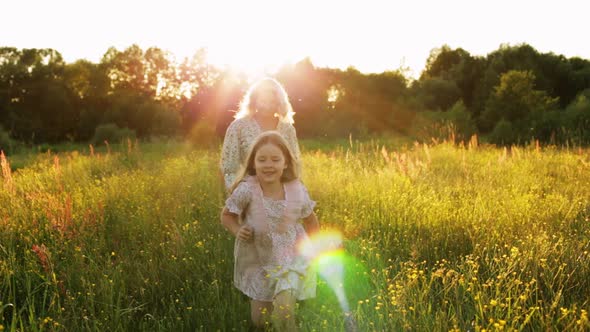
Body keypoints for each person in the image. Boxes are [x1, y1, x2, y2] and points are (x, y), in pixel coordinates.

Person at [220, 131, 319, 331]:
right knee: (261, 322)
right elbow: (227, 215)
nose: (268, 165)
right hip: (258, 259)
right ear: (253, 163)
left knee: (284, 313)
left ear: (285, 163)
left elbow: (311, 219)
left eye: (275, 159)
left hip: (289, 259)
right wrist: (237, 230)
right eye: (262, 159)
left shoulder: (296, 190)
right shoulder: (247, 190)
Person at [220, 77, 302, 192]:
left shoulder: (288, 129)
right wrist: (240, 194)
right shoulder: (238, 127)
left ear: (280, 103)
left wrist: (293, 195)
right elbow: (229, 169)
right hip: (247, 194)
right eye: (263, 101)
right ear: (254, 101)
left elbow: (295, 167)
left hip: (281, 195)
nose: (267, 106)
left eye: (272, 102)